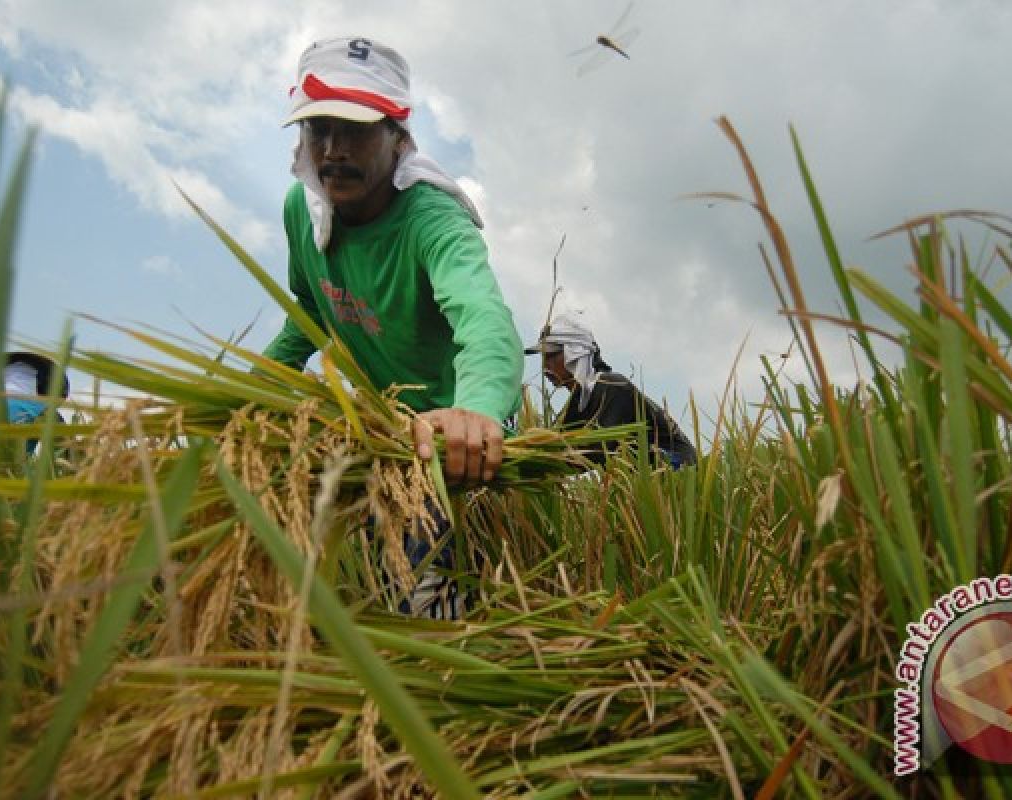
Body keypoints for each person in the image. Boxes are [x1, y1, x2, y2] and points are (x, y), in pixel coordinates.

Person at [261, 37, 524, 617]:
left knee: (428, 598)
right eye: (318, 130)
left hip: (454, 432)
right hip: (386, 428)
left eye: (354, 130)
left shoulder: (433, 221)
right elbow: (306, 318)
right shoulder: (302, 216)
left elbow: (486, 321)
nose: (333, 150)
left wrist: (475, 410)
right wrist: (245, 400)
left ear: (398, 138)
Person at [525, 314, 698, 468]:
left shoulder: (612, 386)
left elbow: (600, 450)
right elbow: (558, 444)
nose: (544, 365)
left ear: (576, 353)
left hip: (677, 466)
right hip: (641, 474)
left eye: (551, 356)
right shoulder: (578, 403)